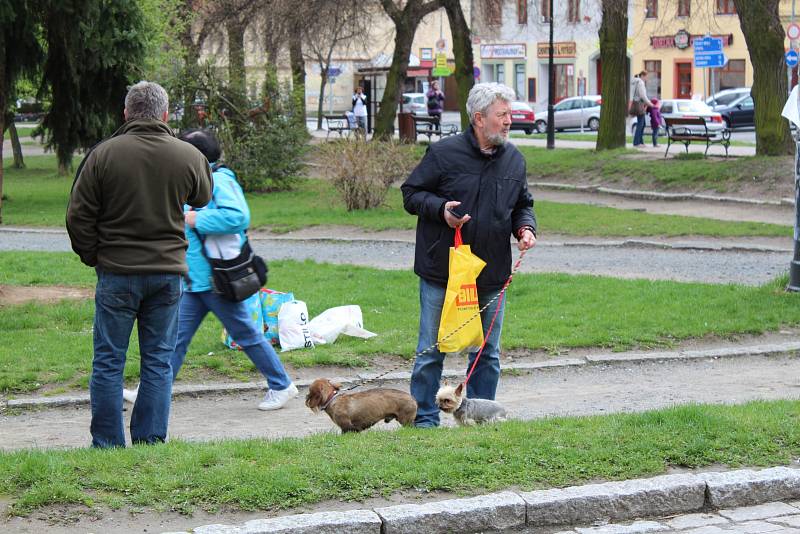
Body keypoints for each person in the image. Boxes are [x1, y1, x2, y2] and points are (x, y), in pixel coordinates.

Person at [66, 81, 213, 448]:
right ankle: (150, 440)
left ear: (127, 113)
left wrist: (93, 255)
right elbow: (204, 196)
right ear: (165, 115)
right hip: (167, 276)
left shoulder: (103, 155)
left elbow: (77, 216)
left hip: (116, 272)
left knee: (108, 362)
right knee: (159, 361)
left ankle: (107, 443)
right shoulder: (188, 155)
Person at [123, 129, 298, 411]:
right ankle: (149, 390)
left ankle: (282, 385)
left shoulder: (219, 180)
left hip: (217, 281)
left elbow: (238, 217)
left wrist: (196, 218)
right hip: (196, 281)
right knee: (173, 341)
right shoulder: (198, 181)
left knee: (246, 335)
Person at [400, 82, 537, 428]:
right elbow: (411, 193)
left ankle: (479, 420)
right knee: (432, 349)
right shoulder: (443, 154)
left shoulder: (514, 159)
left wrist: (525, 228)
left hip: (491, 272)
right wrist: (441, 209)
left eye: (509, 114)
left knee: (486, 354)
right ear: (479, 118)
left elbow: (522, 204)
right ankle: (425, 421)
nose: (509, 120)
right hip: (442, 271)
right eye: (501, 115)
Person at [631, 71, 655, 148]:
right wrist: (650, 104)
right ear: (643, 75)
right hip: (639, 104)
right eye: (646, 76)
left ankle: (640, 141)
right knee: (640, 124)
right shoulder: (640, 82)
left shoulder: (635, 82)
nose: (647, 78)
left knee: (642, 123)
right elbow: (643, 96)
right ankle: (637, 142)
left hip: (636, 103)